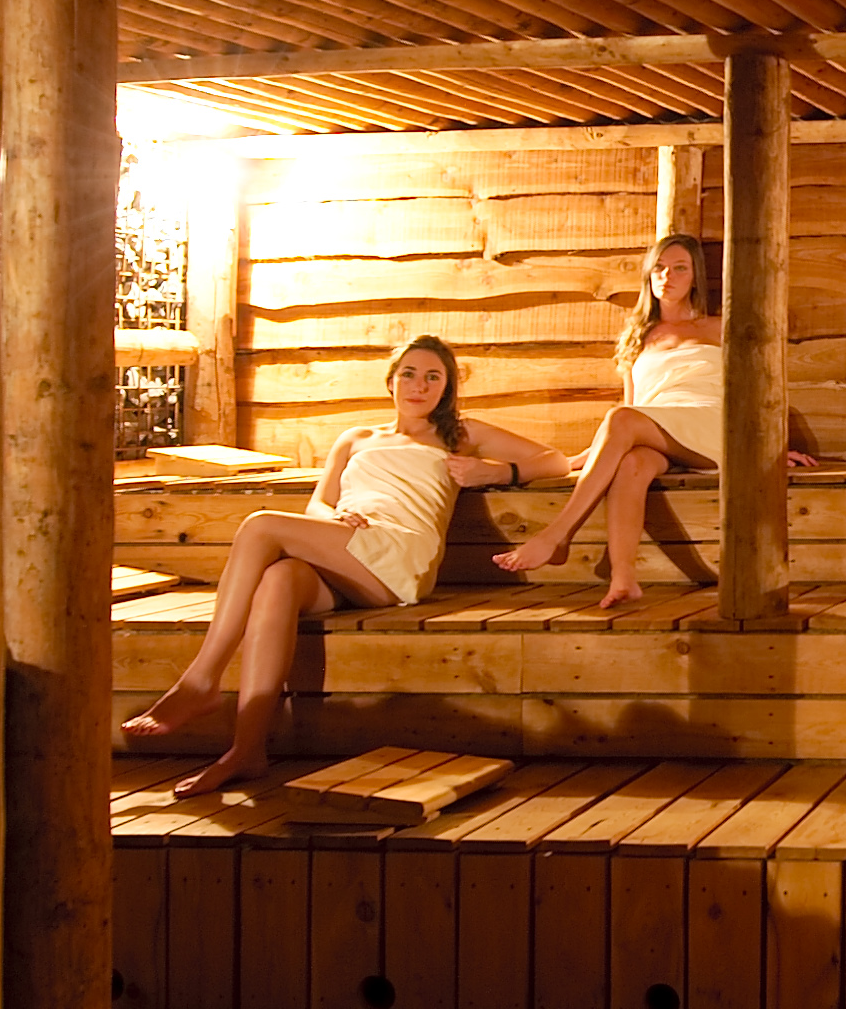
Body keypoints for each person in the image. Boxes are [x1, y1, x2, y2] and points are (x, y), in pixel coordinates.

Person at [126, 336, 563, 795]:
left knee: (260, 526)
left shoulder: (460, 434)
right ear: (391, 382)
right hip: (349, 548)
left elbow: (551, 460)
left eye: (433, 377)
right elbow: (319, 503)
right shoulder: (355, 439)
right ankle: (247, 748)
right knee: (279, 580)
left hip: (400, 552)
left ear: (447, 387)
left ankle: (201, 680)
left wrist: (496, 472)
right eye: (409, 374)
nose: (419, 386)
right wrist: (334, 518)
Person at [494, 231, 809, 612]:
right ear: (648, 274)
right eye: (659, 268)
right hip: (658, 428)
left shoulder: (720, 327)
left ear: (695, 277)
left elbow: (756, 391)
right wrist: (587, 456)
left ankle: (558, 535)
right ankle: (623, 578)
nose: (667, 276)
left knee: (621, 419)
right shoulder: (636, 337)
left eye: (680, 268)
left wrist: (768, 446)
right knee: (632, 463)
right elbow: (634, 407)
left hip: (710, 424)